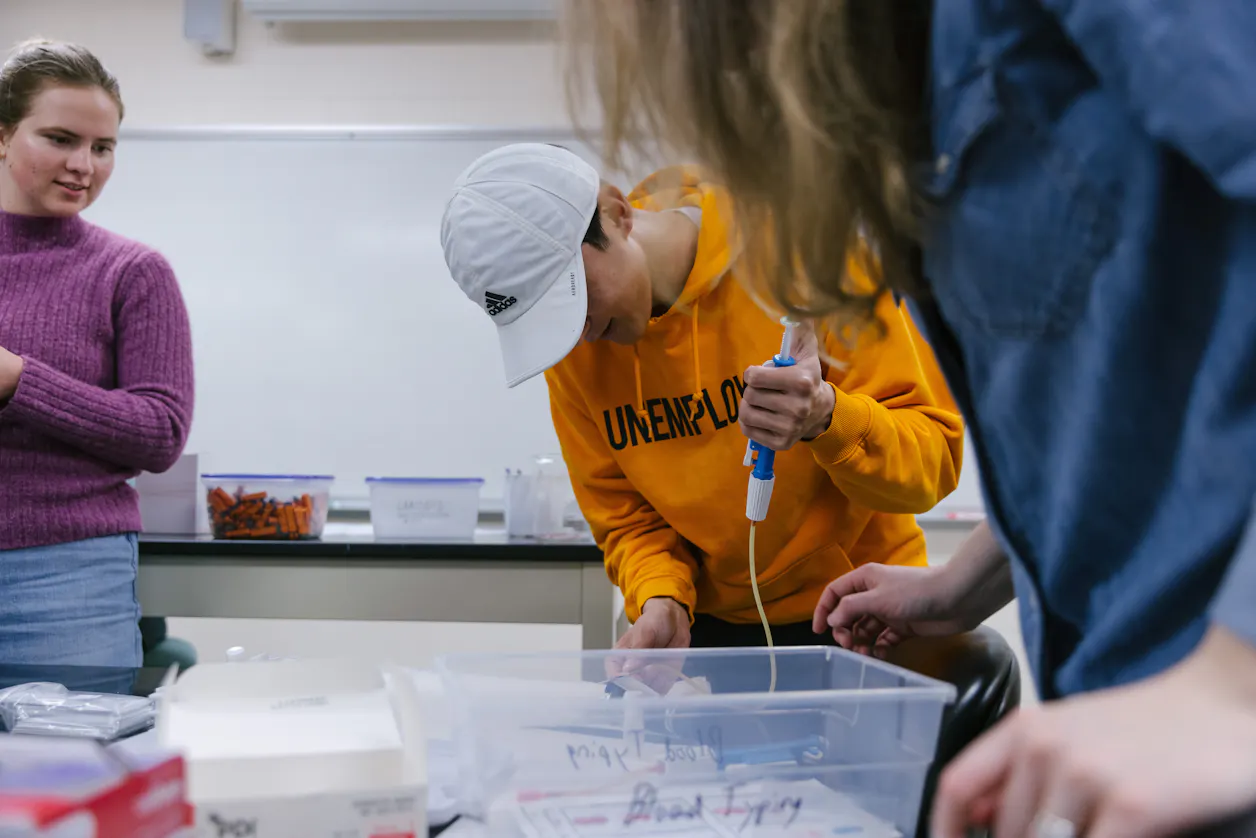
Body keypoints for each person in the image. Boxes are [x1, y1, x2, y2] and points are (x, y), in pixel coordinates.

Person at [558, 2, 1256, 837]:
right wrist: (965, 586)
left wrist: (1235, 677)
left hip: (1214, 701)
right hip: (1136, 707)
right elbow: (1119, 412)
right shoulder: (907, 112)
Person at [0, 39, 194, 667]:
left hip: (66, 577)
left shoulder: (132, 272)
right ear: (2, 136)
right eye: (60, 139)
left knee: (71, 738)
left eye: (102, 147)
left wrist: (19, 381)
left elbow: (160, 433)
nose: (83, 165)